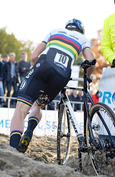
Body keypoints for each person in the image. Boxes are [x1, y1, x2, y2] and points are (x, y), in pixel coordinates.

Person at [9, 19, 95, 152]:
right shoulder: (83, 39)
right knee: (38, 105)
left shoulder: (54, 32)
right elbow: (91, 62)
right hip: (62, 75)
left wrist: (38, 71)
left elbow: (33, 56)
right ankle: (29, 131)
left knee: (20, 109)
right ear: (81, 30)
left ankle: (13, 149)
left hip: (43, 66)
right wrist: (87, 79)